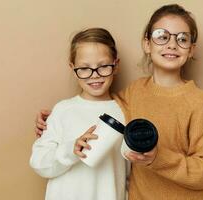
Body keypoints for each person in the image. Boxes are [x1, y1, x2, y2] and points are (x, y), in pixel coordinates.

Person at [35, 4, 203, 200]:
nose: (172, 44)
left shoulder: (200, 102)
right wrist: (52, 120)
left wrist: (159, 157)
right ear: (147, 44)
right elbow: (99, 106)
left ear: (191, 49)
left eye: (182, 38)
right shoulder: (133, 93)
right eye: (162, 36)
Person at [30, 28, 129, 200]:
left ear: (116, 65)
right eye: (84, 68)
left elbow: (129, 173)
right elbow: (39, 163)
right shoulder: (62, 110)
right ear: (72, 67)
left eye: (103, 66)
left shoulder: (124, 113)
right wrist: (71, 149)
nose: (95, 75)